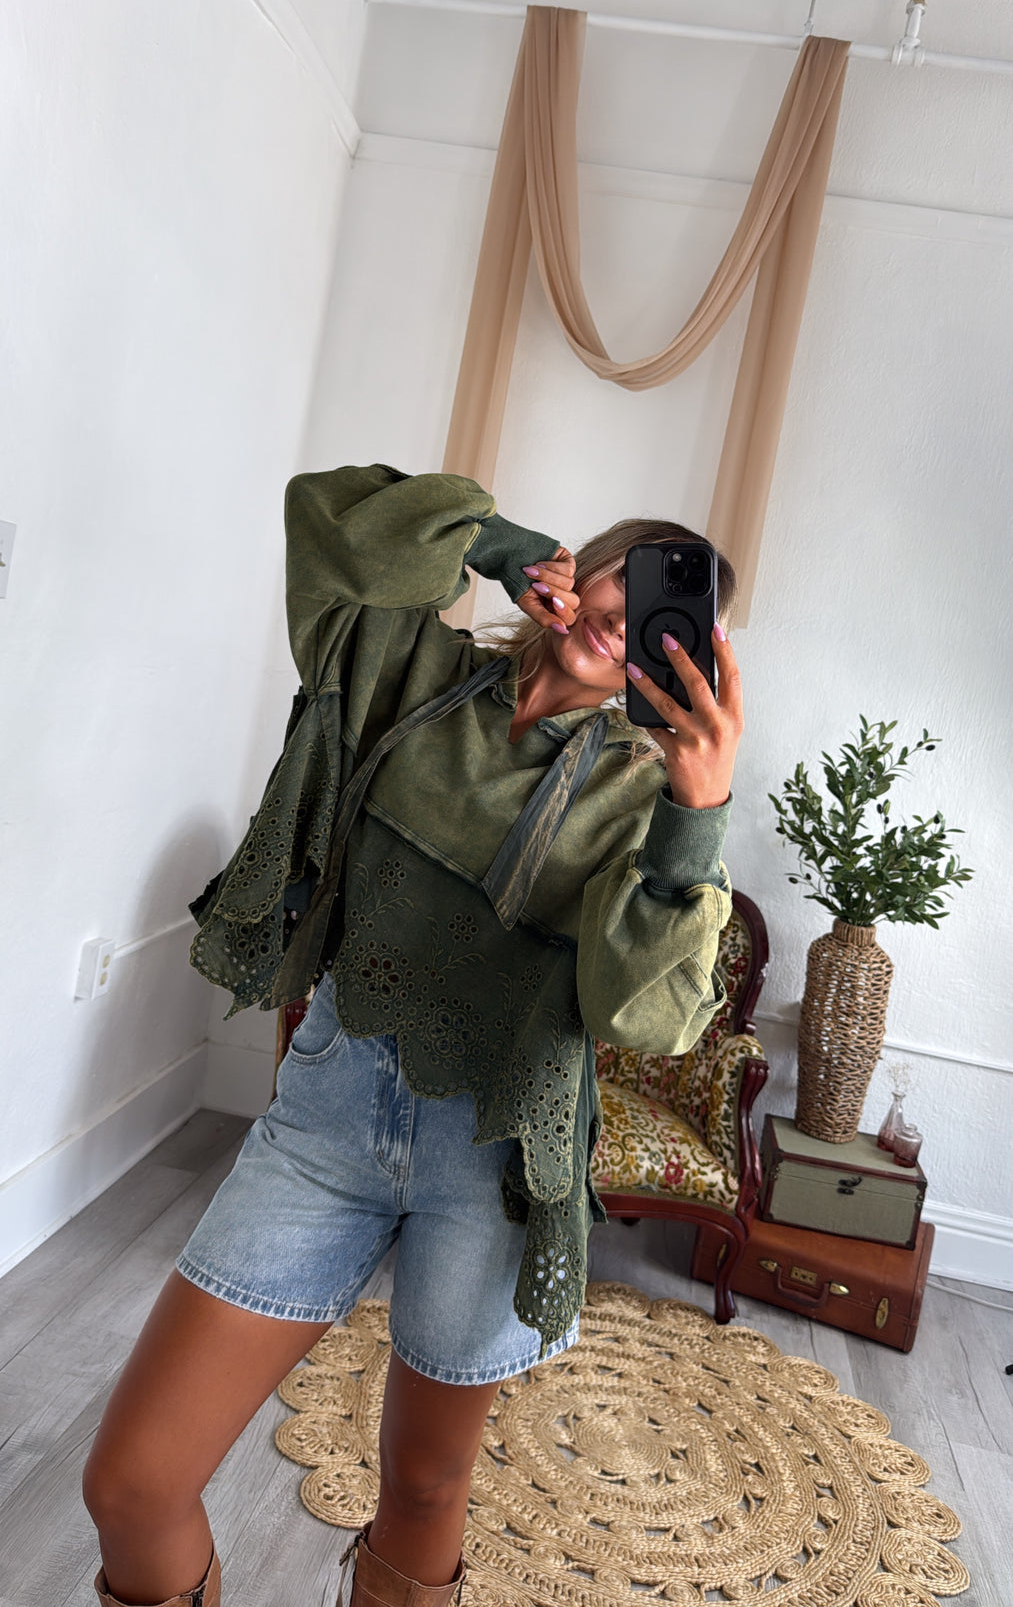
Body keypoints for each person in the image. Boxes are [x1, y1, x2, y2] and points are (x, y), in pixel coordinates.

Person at [82, 464, 743, 1607]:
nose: (624, 617)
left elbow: (645, 1016)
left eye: (665, 619)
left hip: (491, 1164)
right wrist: (496, 543)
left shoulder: (639, 800)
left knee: (426, 1489)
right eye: (621, 579)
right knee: (132, 1483)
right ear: (582, 569)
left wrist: (695, 817)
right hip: (326, 1117)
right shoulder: (410, 672)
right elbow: (324, 515)